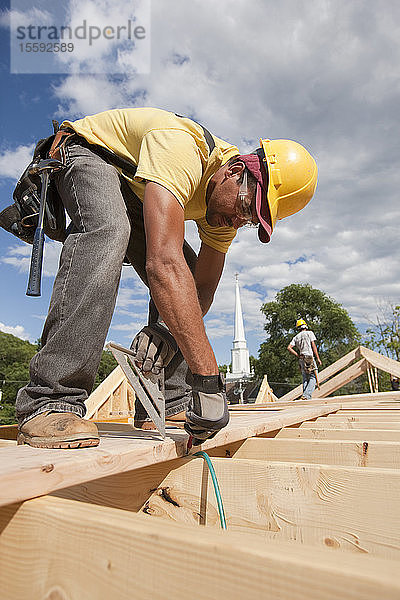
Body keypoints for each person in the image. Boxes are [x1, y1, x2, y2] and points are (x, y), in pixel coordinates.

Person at [15, 107, 318, 448]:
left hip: (134, 186)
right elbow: (163, 263)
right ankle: (50, 400)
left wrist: (166, 333)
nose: (238, 222)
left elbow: (201, 287)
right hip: (88, 151)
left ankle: (170, 400)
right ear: (233, 171)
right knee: (109, 230)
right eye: (246, 209)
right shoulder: (181, 149)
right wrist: (208, 378)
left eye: (249, 221)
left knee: (185, 280)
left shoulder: (222, 210)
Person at [287, 319, 322, 400]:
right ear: (305, 326)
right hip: (309, 357)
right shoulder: (310, 333)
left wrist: (298, 355)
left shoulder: (296, 337)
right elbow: (313, 346)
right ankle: (306, 396)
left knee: (305, 378)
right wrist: (318, 358)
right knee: (313, 377)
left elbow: (289, 348)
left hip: (302, 359)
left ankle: (305, 397)